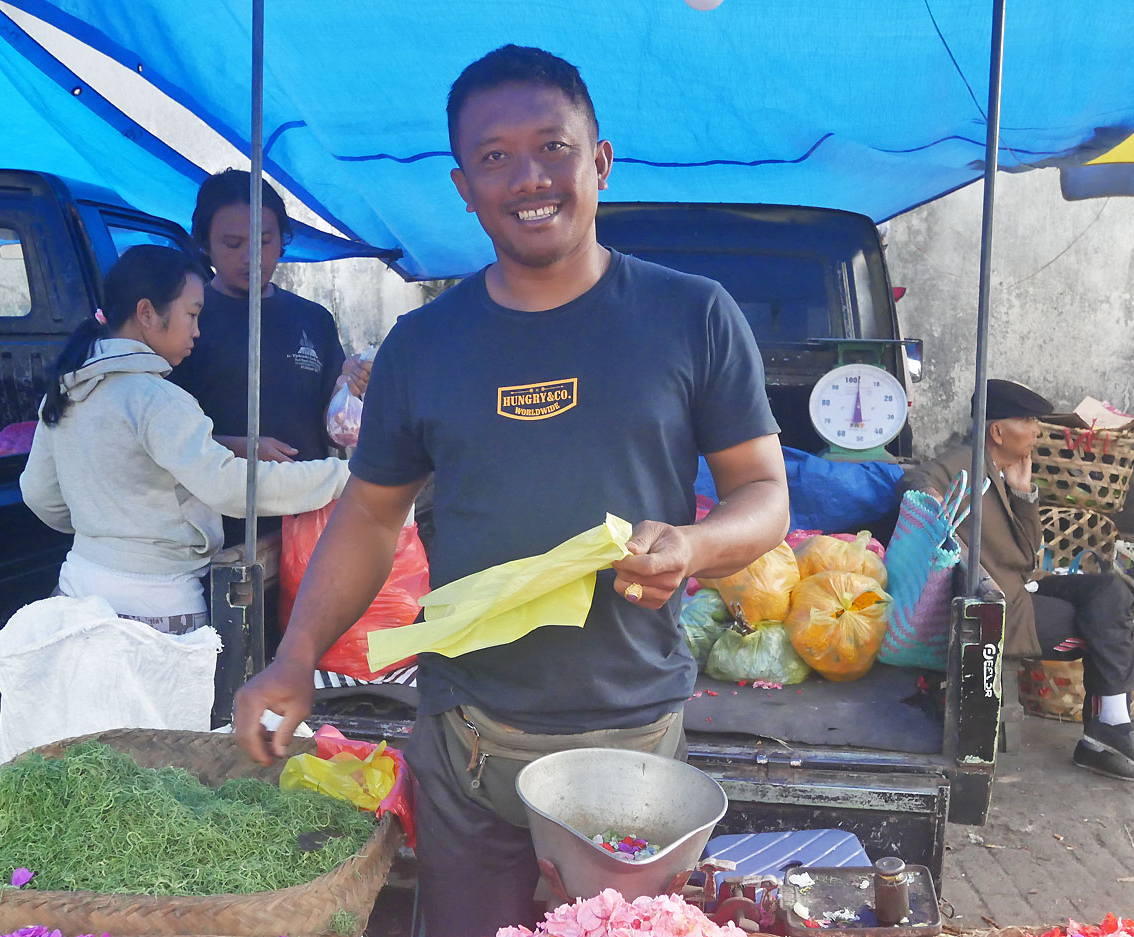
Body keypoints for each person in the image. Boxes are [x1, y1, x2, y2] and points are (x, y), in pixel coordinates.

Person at [231, 46, 790, 935]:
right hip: (471, 739)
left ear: (599, 159)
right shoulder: (423, 345)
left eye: (553, 147)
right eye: (494, 157)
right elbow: (372, 514)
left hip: (634, 739)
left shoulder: (693, 314)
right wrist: (297, 654)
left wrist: (692, 545)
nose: (529, 178)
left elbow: (763, 491)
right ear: (463, 186)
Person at [19, 245, 352, 632]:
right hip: (156, 604)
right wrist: (344, 475)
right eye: (192, 314)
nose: (197, 330)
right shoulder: (157, 399)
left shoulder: (65, 390)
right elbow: (231, 487)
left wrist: (104, 534)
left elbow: (38, 493)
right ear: (146, 313)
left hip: (78, 589)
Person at [900, 380, 1134, 783]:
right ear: (997, 431)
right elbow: (914, 482)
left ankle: (1108, 728)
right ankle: (1106, 730)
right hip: (1001, 605)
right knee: (1104, 623)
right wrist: (941, 519)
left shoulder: (1003, 471)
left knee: (1108, 591)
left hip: (1021, 584)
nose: (1037, 430)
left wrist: (1024, 495)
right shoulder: (965, 462)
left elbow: (1027, 555)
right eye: (1027, 420)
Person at [168, 170, 369, 538]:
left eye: (264, 240)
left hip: (308, 523)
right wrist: (238, 449)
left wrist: (349, 391)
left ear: (283, 240)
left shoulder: (313, 318)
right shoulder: (182, 321)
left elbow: (336, 428)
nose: (251, 257)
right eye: (232, 244)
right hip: (210, 530)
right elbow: (161, 434)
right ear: (204, 244)